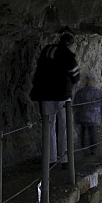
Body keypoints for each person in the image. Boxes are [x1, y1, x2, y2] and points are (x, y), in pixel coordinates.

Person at [30, 31, 80, 165]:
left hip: (45, 94)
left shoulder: (47, 50)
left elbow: (39, 68)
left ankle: (50, 159)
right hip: (62, 96)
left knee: (48, 126)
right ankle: (64, 159)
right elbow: (76, 76)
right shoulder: (68, 56)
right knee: (64, 127)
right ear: (70, 44)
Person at [73, 74, 102, 155]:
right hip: (93, 118)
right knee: (93, 133)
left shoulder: (80, 92)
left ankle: (83, 147)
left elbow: (75, 103)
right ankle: (93, 148)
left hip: (81, 116)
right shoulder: (96, 92)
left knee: (82, 132)